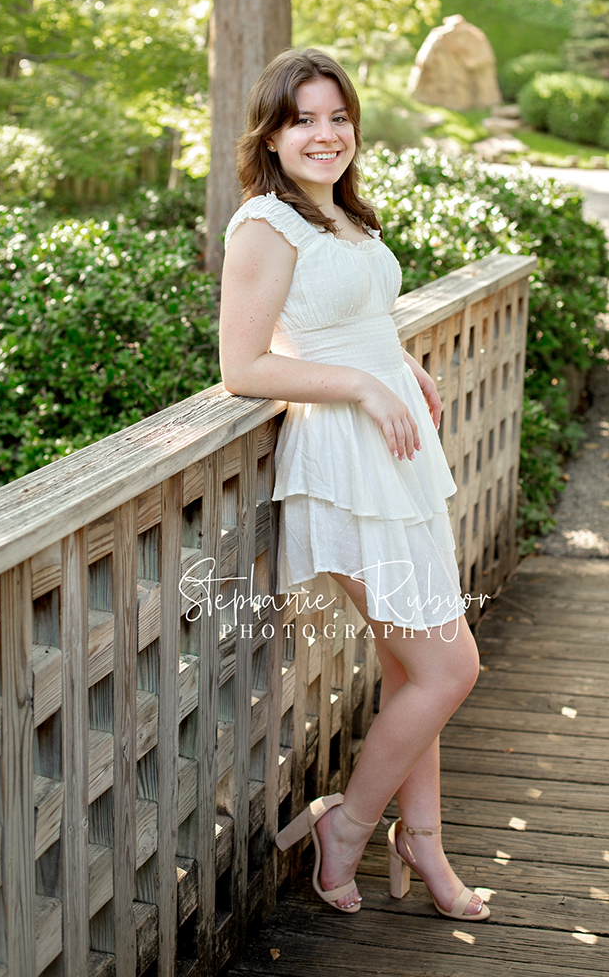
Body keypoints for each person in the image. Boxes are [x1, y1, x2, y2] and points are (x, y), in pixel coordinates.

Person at [219, 47, 490, 922]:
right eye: (303, 119)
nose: (325, 134)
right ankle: (348, 825)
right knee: (451, 667)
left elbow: (350, 317)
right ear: (271, 134)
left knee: (413, 667)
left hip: (396, 458)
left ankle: (424, 842)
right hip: (345, 462)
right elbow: (243, 366)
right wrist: (365, 387)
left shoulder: (342, 214)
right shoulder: (266, 224)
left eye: (338, 117)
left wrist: (398, 363)